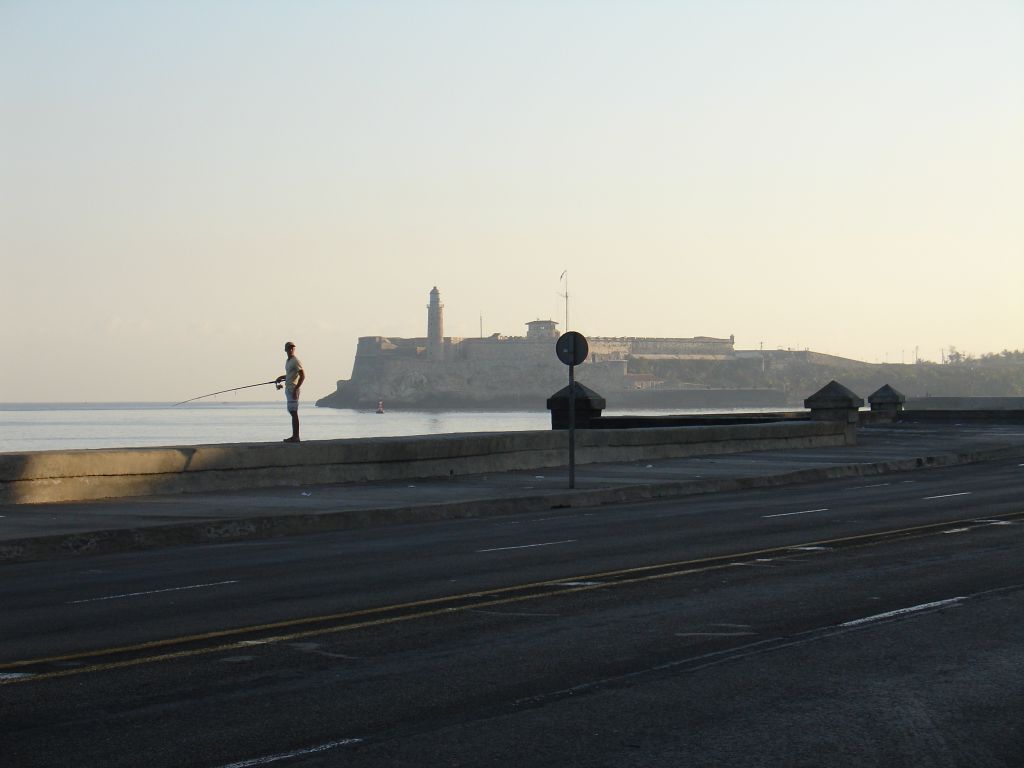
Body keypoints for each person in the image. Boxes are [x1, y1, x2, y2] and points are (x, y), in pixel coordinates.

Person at [275, 342, 305, 442]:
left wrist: (296, 389)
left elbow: (302, 376)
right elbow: (290, 375)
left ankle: (296, 436)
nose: (291, 350)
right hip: (288, 389)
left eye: (292, 348)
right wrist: (281, 377)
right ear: (286, 350)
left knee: (294, 412)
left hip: (293, 389)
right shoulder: (288, 361)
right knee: (292, 412)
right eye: (289, 348)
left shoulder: (295, 361)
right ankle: (294, 436)